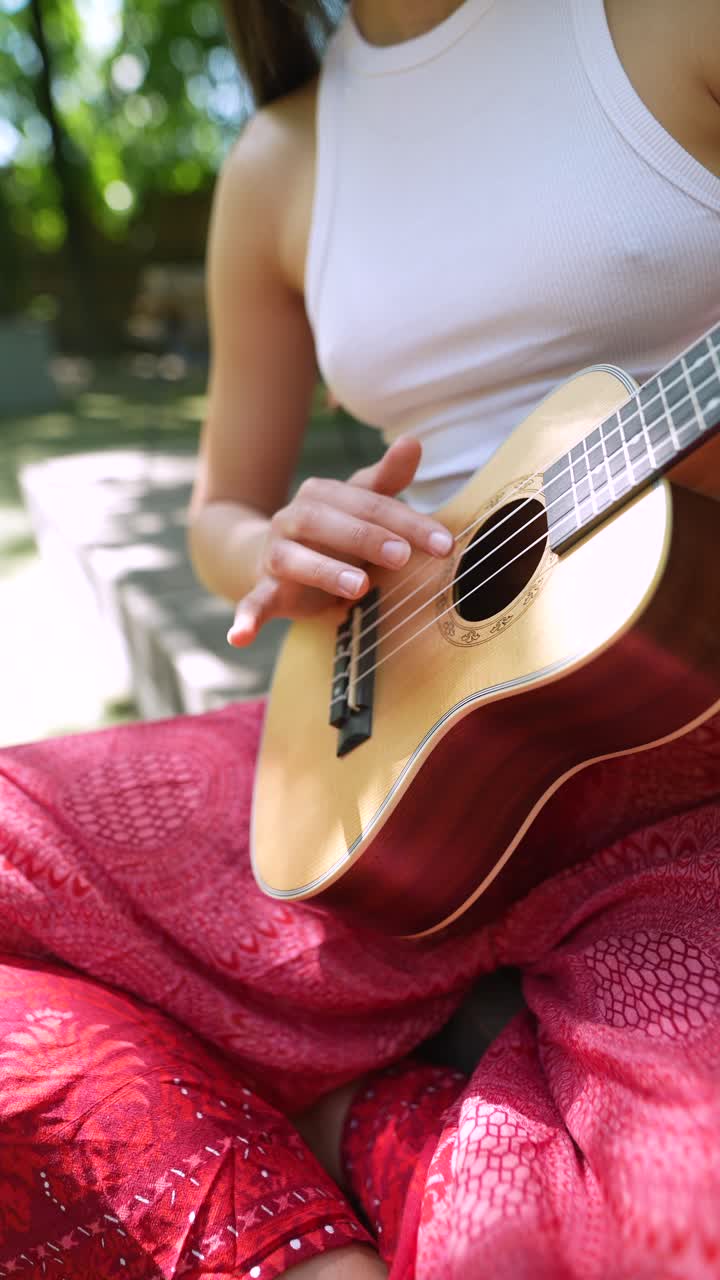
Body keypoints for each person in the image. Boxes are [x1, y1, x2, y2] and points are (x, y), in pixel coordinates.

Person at [1, 1, 719, 1276]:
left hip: (683, 768)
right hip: (374, 732)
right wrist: (278, 540)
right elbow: (223, 510)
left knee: (684, 1229)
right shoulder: (280, 157)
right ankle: (302, 1220)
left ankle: (384, 1139)